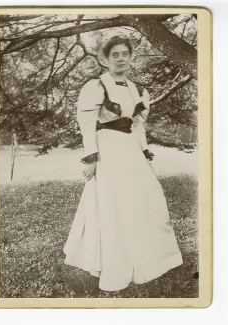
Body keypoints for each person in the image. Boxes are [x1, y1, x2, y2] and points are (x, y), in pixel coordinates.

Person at [63, 36, 183, 292]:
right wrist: (92, 158)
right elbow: (86, 126)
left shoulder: (139, 91)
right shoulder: (96, 87)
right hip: (107, 150)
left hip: (130, 151)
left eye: (124, 54)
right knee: (114, 205)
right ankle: (115, 264)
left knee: (149, 199)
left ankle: (151, 258)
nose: (120, 59)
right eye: (114, 54)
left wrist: (144, 152)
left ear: (131, 57)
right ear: (105, 59)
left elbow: (139, 126)